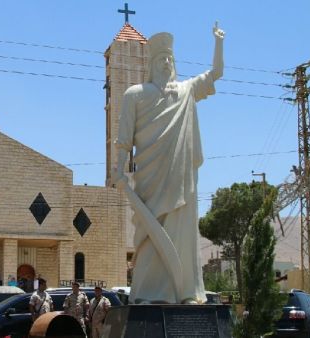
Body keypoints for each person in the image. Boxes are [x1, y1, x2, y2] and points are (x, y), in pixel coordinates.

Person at [113, 23, 225, 304]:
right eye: (161, 59)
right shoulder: (135, 94)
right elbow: (124, 138)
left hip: (181, 180)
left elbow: (216, 74)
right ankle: (150, 294)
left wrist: (218, 43)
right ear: (151, 64)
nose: (166, 63)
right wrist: (119, 168)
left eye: (170, 59)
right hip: (150, 179)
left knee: (181, 233)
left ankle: (186, 292)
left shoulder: (186, 91)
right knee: (151, 237)